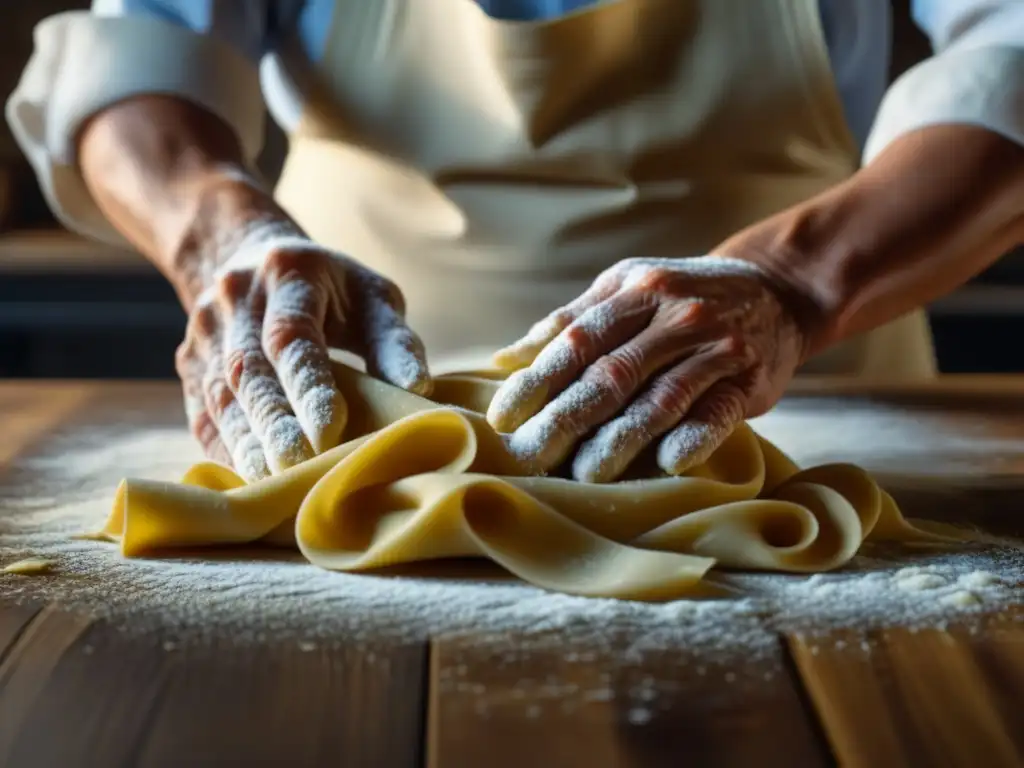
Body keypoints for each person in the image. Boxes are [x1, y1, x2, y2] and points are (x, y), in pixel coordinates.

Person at [7, 0, 1024, 484]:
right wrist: (217, 240)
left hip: (796, 399)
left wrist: (791, 281)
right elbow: (140, 64)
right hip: (346, 418)